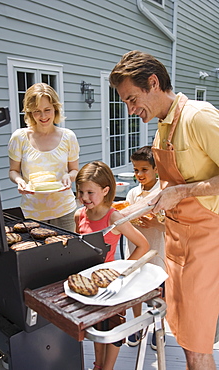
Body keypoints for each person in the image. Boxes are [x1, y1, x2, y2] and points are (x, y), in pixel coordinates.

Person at [109, 50, 219, 370]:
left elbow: (183, 189)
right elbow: (169, 187)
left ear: (153, 83)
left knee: (198, 346)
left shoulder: (198, 117)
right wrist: (140, 206)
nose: (130, 110)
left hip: (204, 245)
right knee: (184, 338)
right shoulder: (162, 128)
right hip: (176, 245)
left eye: (132, 99)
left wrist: (181, 192)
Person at [75, 161, 150, 370]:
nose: (84, 198)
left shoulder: (113, 218)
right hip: (89, 285)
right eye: (81, 192)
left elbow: (143, 244)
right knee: (96, 326)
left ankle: (108, 368)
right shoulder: (79, 214)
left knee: (113, 329)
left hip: (111, 286)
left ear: (105, 190)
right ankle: (98, 365)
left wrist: (122, 272)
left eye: (91, 192)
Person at [8, 82, 79, 231]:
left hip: (65, 210)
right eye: (37, 111)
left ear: (55, 108)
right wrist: (20, 181)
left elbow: (75, 170)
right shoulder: (19, 137)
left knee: (68, 253)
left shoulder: (68, 137)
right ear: (29, 112)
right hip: (33, 212)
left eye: (47, 110)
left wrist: (69, 176)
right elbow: (13, 171)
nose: (43, 116)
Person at [124, 146, 165, 349]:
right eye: (136, 170)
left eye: (144, 169)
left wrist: (156, 223)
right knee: (135, 292)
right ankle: (137, 325)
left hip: (157, 253)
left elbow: (170, 225)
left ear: (156, 169)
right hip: (135, 251)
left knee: (158, 293)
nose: (139, 174)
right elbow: (125, 216)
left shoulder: (163, 193)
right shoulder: (132, 194)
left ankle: (160, 328)